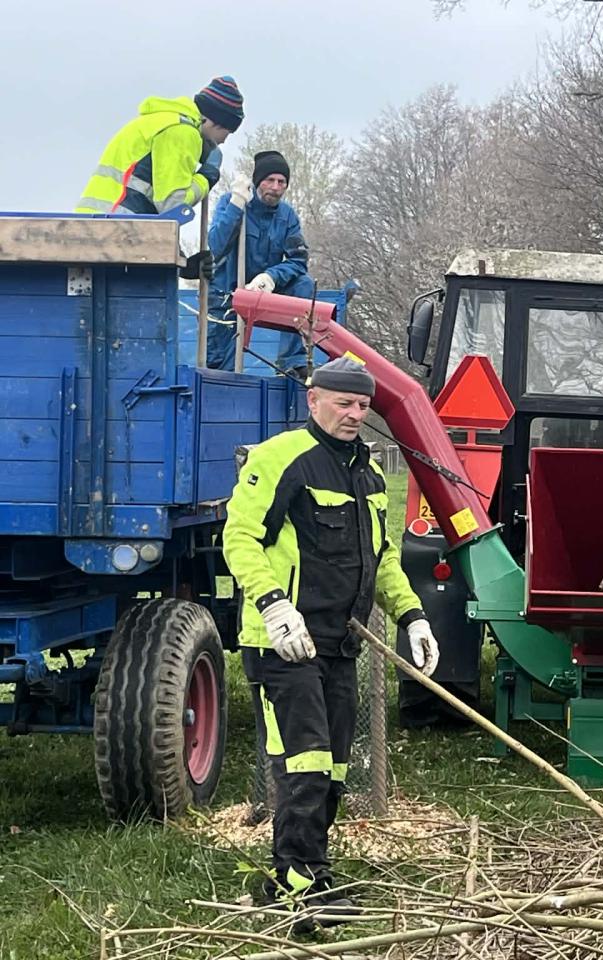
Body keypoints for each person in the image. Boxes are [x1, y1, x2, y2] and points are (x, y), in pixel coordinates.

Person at [223, 354, 439, 928]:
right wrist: (273, 604)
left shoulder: (369, 475)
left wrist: (413, 616)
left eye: (363, 405)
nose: (354, 414)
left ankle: (312, 874)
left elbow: (381, 559)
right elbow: (239, 539)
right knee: (306, 764)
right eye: (343, 402)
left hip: (340, 644)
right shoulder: (279, 459)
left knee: (335, 768)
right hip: (282, 644)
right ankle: (293, 889)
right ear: (313, 399)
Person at [205, 150, 315, 372]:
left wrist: (271, 277)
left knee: (304, 284)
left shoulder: (287, 216)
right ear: (257, 182)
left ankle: (292, 362)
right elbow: (216, 246)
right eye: (269, 180)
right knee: (220, 364)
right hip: (228, 292)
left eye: (281, 182)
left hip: (266, 291)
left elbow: (298, 260)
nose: (275, 187)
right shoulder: (232, 202)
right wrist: (236, 205)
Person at [76, 76, 244, 217]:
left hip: (94, 222)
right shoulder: (182, 132)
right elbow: (172, 205)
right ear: (216, 123)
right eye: (227, 133)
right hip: (118, 224)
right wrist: (206, 176)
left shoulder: (161, 121)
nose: (223, 142)